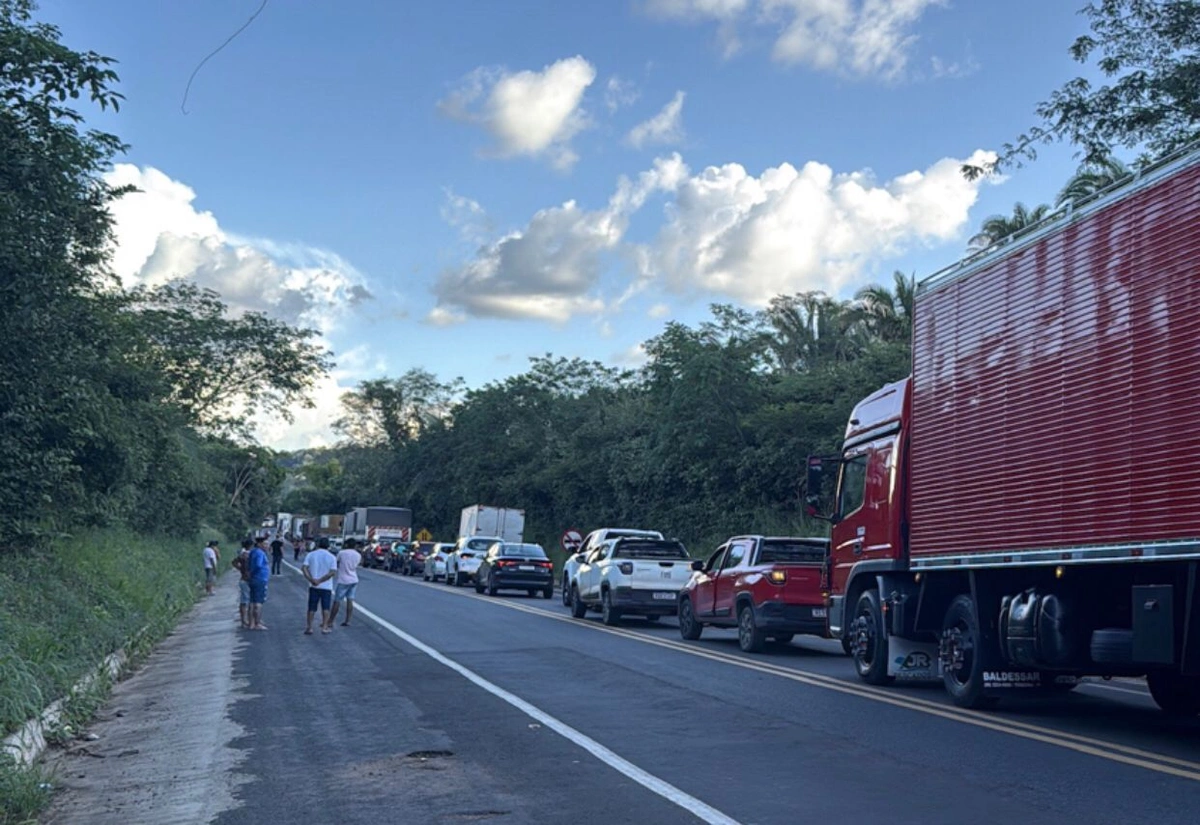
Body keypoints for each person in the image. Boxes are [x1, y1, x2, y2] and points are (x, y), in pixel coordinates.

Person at [301, 538, 338, 635]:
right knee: (325, 607)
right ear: (328, 546)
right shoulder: (332, 557)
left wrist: (311, 579)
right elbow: (332, 572)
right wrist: (320, 580)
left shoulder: (311, 555)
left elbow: (304, 568)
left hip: (313, 586)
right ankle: (325, 627)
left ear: (317, 545)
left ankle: (309, 627)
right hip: (326, 587)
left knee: (311, 607)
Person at [329, 538, 361, 628]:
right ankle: (348, 620)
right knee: (350, 600)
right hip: (354, 579)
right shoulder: (358, 555)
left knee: (337, 601)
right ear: (355, 545)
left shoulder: (342, 553)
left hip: (343, 579)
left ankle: (330, 621)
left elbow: (336, 563)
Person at [247, 537, 271, 630]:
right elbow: (258, 565)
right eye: (265, 544)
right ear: (259, 544)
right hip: (260, 579)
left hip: (253, 579)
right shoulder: (260, 553)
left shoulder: (253, 552)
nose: (267, 546)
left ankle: (251, 623)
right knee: (258, 602)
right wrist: (252, 572)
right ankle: (257, 623)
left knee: (252, 601)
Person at [232, 540, 252, 628]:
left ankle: (244, 620)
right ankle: (247, 620)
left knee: (244, 601)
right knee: (249, 601)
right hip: (248, 579)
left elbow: (234, 562)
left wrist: (240, 568)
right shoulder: (250, 554)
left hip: (244, 578)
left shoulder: (242, 554)